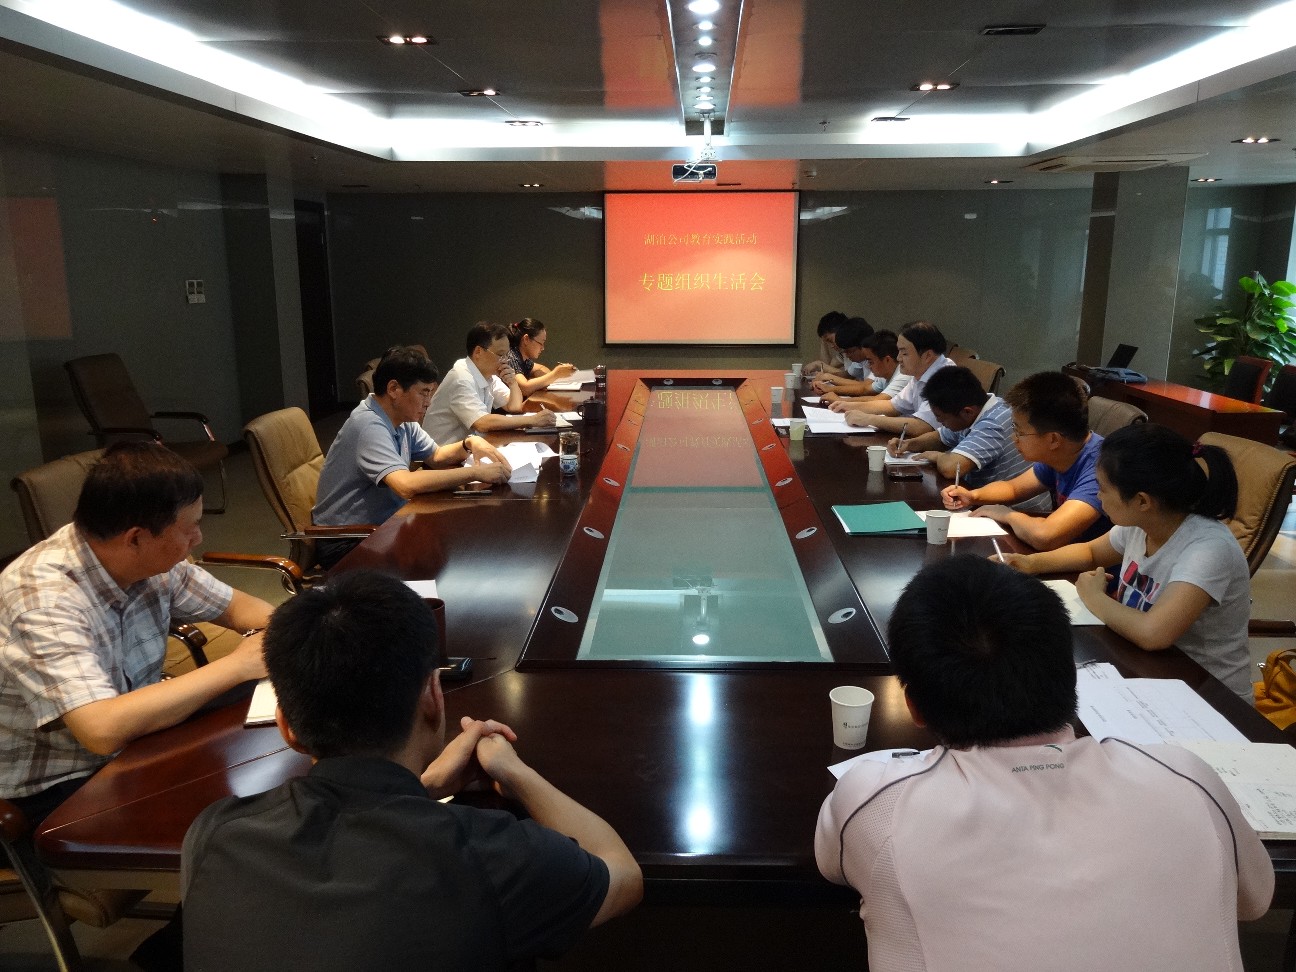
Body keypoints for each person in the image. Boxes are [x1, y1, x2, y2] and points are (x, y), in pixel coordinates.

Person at [815, 556, 1273, 972]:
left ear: (913, 706)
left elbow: (832, 865)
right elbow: (1255, 901)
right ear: (1070, 676)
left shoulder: (878, 801)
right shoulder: (1188, 778)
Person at [181, 570, 643, 971]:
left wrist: (422, 787)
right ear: (433, 698)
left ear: (286, 726)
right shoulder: (489, 857)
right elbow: (622, 875)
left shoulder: (213, 833)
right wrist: (515, 773)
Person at [0, 442, 273, 826]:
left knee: (261, 756)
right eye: (189, 528)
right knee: (234, 819)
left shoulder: (153, 560)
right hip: (60, 783)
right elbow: (101, 730)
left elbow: (242, 610)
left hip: (135, 740)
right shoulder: (43, 600)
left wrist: (272, 633)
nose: (197, 538)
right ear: (135, 538)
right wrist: (238, 665)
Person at [999, 424, 1253, 699]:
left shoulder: (1208, 548)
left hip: (1207, 695)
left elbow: (1153, 633)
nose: (1098, 496)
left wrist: (1093, 596)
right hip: (1147, 669)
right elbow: (1091, 553)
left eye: (1103, 489)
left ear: (1142, 501)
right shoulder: (1142, 524)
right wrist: (1030, 563)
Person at [313, 345, 512, 569]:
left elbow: (436, 455)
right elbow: (405, 485)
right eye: (423, 392)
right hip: (347, 540)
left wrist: (468, 443)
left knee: (457, 545)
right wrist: (475, 473)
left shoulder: (402, 418)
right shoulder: (367, 425)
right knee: (446, 558)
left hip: (386, 524)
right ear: (394, 389)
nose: (429, 401)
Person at [941, 370, 1110, 550]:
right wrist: (972, 496)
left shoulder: (1101, 469)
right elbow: (1013, 489)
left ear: (1053, 439)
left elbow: (1046, 536)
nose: (1013, 438)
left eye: (1019, 431)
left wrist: (1006, 515)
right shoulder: (1063, 453)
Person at [891, 365, 1049, 512]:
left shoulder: (994, 423)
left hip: (1020, 510)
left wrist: (937, 456)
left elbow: (951, 468)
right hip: (987, 501)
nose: (939, 423)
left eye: (941, 418)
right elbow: (940, 437)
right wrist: (909, 444)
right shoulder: (975, 411)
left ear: (967, 412)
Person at [422, 322, 559, 443]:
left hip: (468, 447)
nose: (505, 360)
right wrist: (532, 420)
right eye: (500, 355)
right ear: (478, 352)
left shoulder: (488, 375)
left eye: (506, 355)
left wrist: (512, 383)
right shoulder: (461, 378)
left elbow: (514, 407)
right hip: (442, 454)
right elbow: (482, 422)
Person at [837, 320, 955, 436]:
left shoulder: (946, 378)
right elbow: (892, 406)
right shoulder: (920, 374)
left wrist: (868, 419)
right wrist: (847, 405)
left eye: (904, 353)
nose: (898, 358)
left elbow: (922, 426)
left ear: (927, 356)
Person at [818, 328, 909, 404]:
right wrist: (829, 389)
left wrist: (840, 400)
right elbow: (865, 389)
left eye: (871, 362)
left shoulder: (903, 376)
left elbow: (878, 400)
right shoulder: (885, 375)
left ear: (887, 360)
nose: (869, 366)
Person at [505, 317, 578, 397]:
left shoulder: (524, 358)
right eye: (541, 343)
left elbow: (541, 368)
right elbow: (524, 389)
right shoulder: (511, 356)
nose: (543, 348)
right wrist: (555, 374)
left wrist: (539, 378)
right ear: (526, 339)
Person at [809, 317, 874, 397]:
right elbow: (848, 374)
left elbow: (866, 387)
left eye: (849, 351)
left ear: (862, 346)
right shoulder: (861, 358)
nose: (847, 355)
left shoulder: (878, 358)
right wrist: (825, 377)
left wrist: (830, 383)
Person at [801, 310, 850, 377]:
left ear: (841, 331)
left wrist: (818, 364)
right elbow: (828, 366)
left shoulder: (855, 348)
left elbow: (849, 376)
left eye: (830, 340)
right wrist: (824, 340)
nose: (831, 346)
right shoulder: (844, 352)